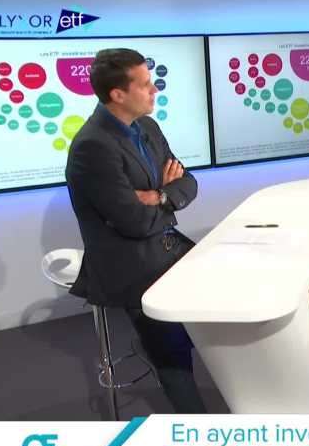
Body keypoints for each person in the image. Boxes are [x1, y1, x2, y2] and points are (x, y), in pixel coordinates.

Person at [65, 48, 207, 413]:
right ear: (118, 94)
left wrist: (158, 195)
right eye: (145, 84)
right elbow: (134, 222)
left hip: (165, 245)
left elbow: (188, 182)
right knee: (173, 352)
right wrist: (163, 196)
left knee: (221, 299)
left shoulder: (147, 127)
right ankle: (199, 427)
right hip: (131, 263)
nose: (155, 90)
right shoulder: (92, 147)